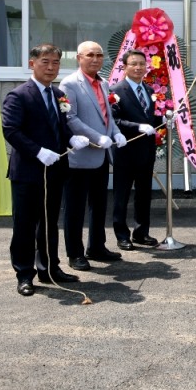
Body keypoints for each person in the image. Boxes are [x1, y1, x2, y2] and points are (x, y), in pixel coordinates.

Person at [2, 44, 89, 296]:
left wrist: (72, 139)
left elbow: (60, 126)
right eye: (45, 62)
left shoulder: (59, 94)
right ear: (32, 63)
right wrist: (37, 151)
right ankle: (24, 274)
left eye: (55, 63)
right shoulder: (19, 95)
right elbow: (11, 130)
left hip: (55, 171)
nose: (51, 67)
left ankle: (50, 269)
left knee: (50, 224)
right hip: (28, 173)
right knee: (25, 225)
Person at [60, 41, 127, 271]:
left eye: (99, 55)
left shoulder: (104, 83)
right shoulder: (70, 83)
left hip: (102, 156)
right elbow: (71, 118)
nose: (96, 59)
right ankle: (75, 253)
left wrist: (116, 134)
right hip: (80, 157)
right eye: (90, 55)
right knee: (75, 208)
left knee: (99, 205)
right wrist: (97, 137)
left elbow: (108, 116)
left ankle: (96, 246)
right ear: (79, 57)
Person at [110, 49, 163, 250]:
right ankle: (122, 235)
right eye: (134, 64)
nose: (139, 67)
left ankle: (141, 233)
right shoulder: (116, 91)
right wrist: (136, 127)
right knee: (121, 196)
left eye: (142, 64)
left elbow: (153, 118)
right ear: (125, 66)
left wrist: (164, 119)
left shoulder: (150, 91)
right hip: (125, 151)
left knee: (144, 194)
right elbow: (114, 120)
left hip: (146, 152)